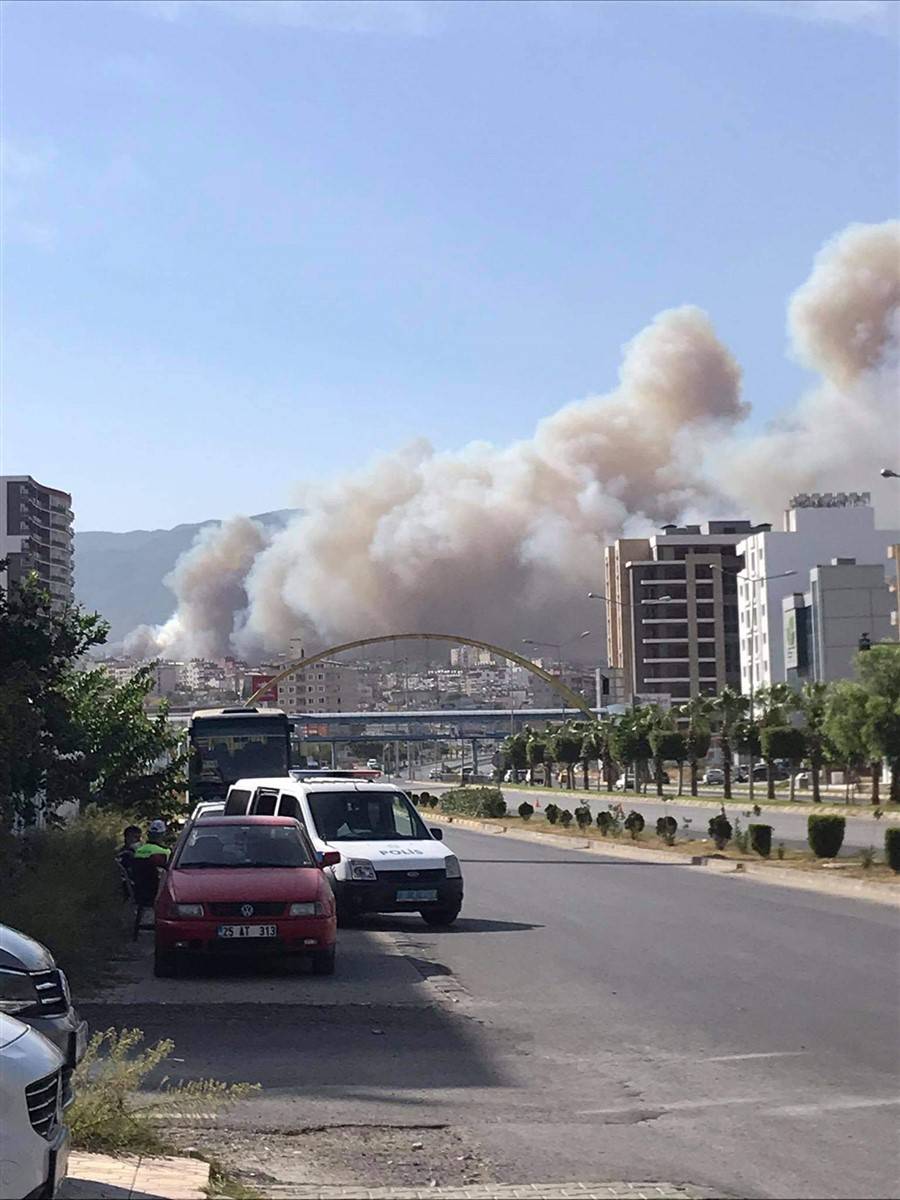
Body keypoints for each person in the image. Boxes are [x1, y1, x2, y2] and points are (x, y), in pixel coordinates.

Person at [115, 825, 143, 899]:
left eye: (139, 838)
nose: (138, 841)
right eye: (135, 837)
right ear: (127, 838)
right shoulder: (124, 854)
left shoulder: (138, 853)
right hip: (128, 888)